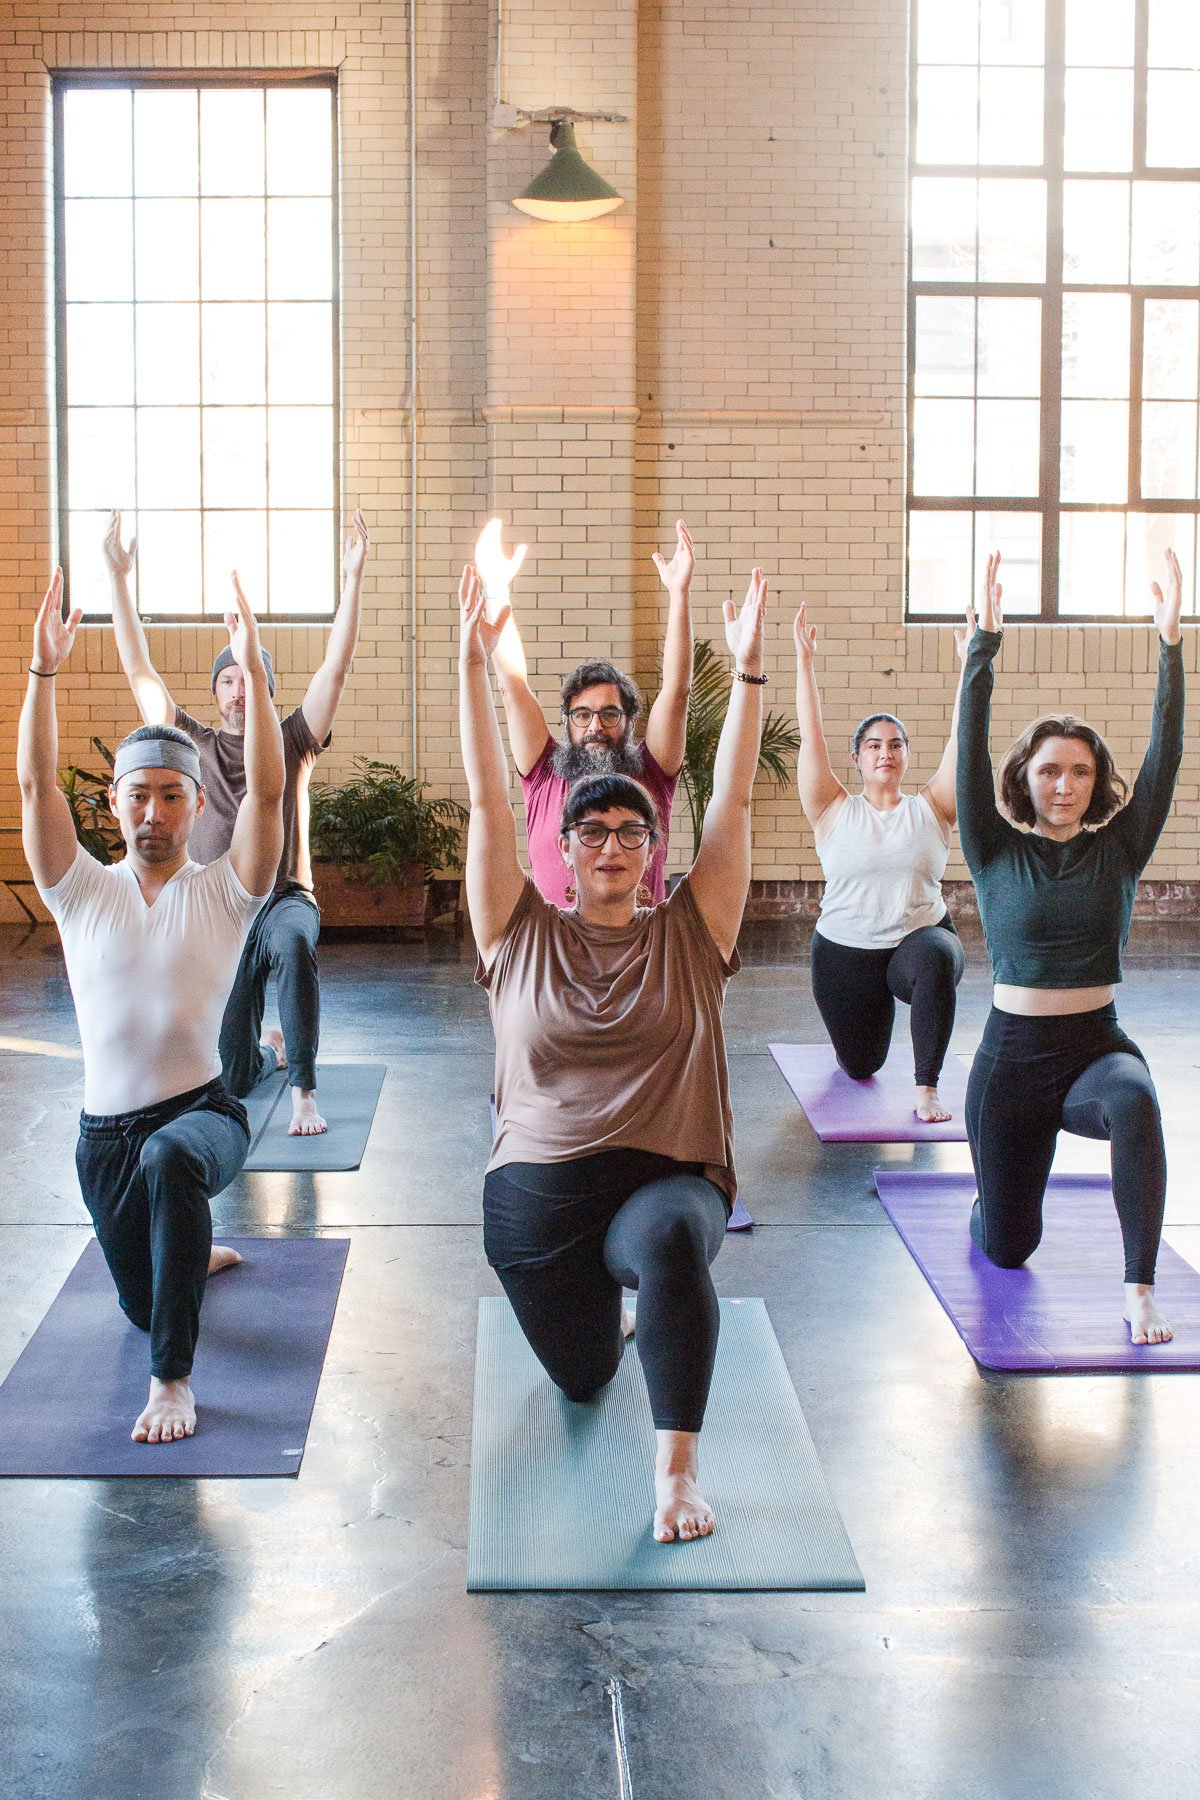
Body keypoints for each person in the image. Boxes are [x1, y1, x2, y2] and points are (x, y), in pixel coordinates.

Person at [459, 553, 768, 1542]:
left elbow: (734, 807)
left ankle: (675, 1474)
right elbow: (484, 805)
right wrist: (475, 663)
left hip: (660, 1182)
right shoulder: (518, 932)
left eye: (630, 832)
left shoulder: (692, 926)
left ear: (649, 848)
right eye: (590, 831)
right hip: (536, 1208)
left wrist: (751, 672)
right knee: (587, 1377)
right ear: (567, 847)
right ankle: (598, 1318)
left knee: (676, 1243)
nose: (609, 845)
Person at [18, 568, 284, 1442]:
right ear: (114, 805)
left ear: (198, 802)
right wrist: (42, 674)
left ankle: (174, 1381)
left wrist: (248, 656)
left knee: (174, 1162)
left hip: (203, 1113)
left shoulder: (224, 891)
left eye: (173, 795)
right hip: (104, 1143)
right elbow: (34, 790)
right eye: (139, 794)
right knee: (140, 1304)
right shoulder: (79, 892)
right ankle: (185, 1255)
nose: (155, 810)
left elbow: (273, 795)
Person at [958, 549, 1185, 1346]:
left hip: (1095, 1046)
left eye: (1080, 772)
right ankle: (989, 1208)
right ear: (1027, 778)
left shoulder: (1119, 848)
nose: (1064, 784)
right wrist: (981, 647)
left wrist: (1171, 646)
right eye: (1050, 771)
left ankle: (1139, 1290)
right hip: (1010, 1061)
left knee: (1136, 1101)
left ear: (1097, 782)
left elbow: (1165, 759)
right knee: (1010, 1249)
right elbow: (969, 750)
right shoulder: (992, 847)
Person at [103, 508, 370, 1136]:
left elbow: (335, 667)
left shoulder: (293, 738)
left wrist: (353, 578)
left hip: (281, 899)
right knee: (237, 1074)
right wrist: (118, 580)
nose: (237, 690)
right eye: (226, 680)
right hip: (218, 907)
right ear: (216, 691)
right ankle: (268, 1052)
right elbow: (140, 671)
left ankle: (303, 1090)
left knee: (295, 944)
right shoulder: (190, 742)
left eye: (248, 677)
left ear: (264, 687)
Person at [793, 600, 973, 1121]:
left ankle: (926, 1088)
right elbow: (812, 738)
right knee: (861, 1065)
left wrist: (970, 663)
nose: (885, 753)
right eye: (873, 745)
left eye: (895, 744)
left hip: (918, 941)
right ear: (858, 759)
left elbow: (962, 740)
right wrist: (804, 662)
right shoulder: (832, 808)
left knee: (936, 957)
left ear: (906, 755)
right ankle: (868, 1041)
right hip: (845, 953)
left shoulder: (933, 808)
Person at [478, 517, 696, 907]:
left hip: (638, 950)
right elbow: (512, 687)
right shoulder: (544, 772)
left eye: (609, 714)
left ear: (628, 721)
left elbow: (676, 693)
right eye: (582, 715)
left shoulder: (652, 772)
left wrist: (679, 595)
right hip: (558, 949)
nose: (595, 725)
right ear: (567, 721)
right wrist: (496, 590)